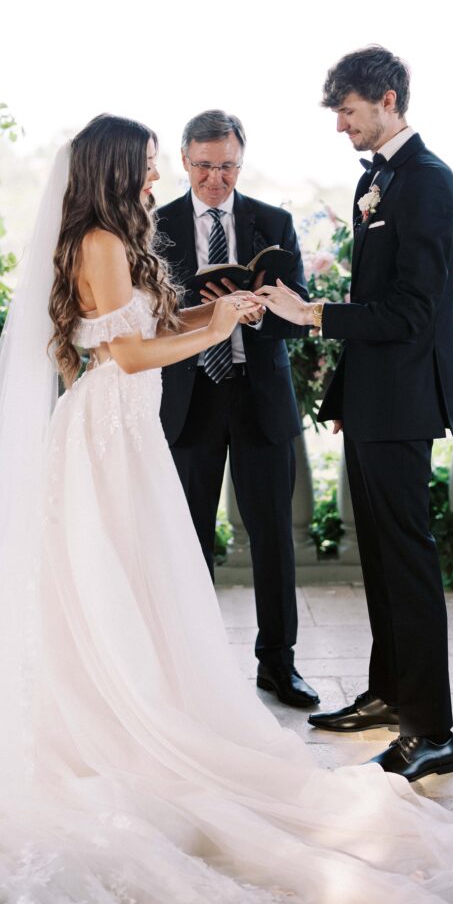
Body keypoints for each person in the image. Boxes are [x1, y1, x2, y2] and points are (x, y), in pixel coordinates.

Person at [0, 114, 453, 904]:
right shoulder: (99, 241)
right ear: (114, 169)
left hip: (127, 433)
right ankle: (98, 722)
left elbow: (143, 332)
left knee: (136, 583)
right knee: (100, 581)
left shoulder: (118, 235)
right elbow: (125, 357)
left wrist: (220, 314)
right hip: (107, 433)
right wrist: (210, 328)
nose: (154, 179)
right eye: (145, 166)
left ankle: (144, 696)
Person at [255, 46, 453, 784]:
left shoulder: (428, 185)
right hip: (373, 404)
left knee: (407, 564)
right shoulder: (377, 182)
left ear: (385, 98)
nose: (340, 127)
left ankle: (431, 730)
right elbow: (375, 297)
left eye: (347, 112)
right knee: (378, 558)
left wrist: (311, 315)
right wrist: (346, 396)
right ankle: (388, 695)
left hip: (405, 404)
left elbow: (411, 312)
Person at [155, 110, 318, 708]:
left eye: (227, 166)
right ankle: (191, 666)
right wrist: (200, 309)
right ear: (184, 160)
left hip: (260, 391)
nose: (216, 179)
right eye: (204, 166)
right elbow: (146, 318)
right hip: (189, 396)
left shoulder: (273, 222)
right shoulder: (155, 226)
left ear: (240, 162)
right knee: (187, 537)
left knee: (273, 534)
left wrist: (261, 309)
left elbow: (299, 322)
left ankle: (278, 664)